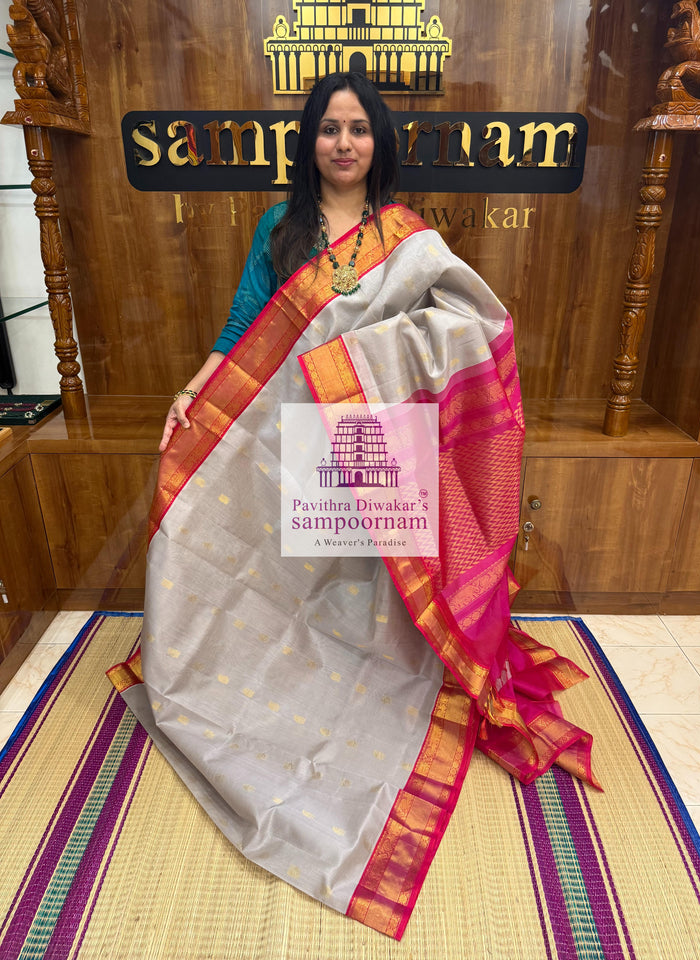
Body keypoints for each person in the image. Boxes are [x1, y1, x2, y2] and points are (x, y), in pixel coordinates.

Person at [109, 72, 598, 941]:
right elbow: (246, 326)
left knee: (374, 582)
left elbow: (477, 323)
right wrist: (194, 390)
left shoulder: (411, 240)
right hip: (294, 428)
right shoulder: (283, 226)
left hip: (378, 435)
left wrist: (376, 353)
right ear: (310, 142)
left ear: (379, 143)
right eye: (328, 128)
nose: (342, 142)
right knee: (301, 570)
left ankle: (372, 672)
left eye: (358, 129)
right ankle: (285, 669)